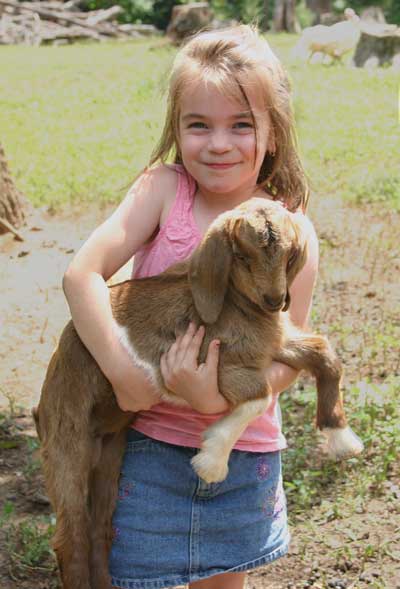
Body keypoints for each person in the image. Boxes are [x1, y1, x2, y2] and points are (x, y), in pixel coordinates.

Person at [63, 25, 319, 589]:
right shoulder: (163, 191)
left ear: (273, 134)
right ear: (177, 130)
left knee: (222, 582)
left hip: (240, 454)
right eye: (198, 124)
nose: (218, 143)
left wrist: (214, 397)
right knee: (134, 574)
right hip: (149, 446)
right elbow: (81, 274)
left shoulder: (291, 231)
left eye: (241, 125)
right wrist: (124, 374)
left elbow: (288, 352)